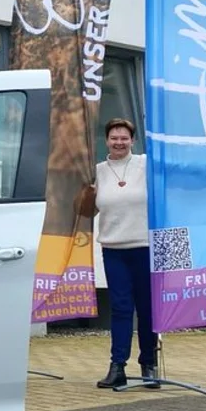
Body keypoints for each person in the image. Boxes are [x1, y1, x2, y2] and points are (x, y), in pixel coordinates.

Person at [84, 117, 160, 390]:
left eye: (124, 138)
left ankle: (149, 364)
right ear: (106, 141)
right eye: (114, 138)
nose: (119, 142)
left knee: (148, 309)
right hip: (113, 249)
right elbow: (87, 211)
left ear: (132, 140)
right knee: (120, 308)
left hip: (145, 247)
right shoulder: (98, 171)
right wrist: (85, 193)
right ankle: (118, 367)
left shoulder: (146, 164)